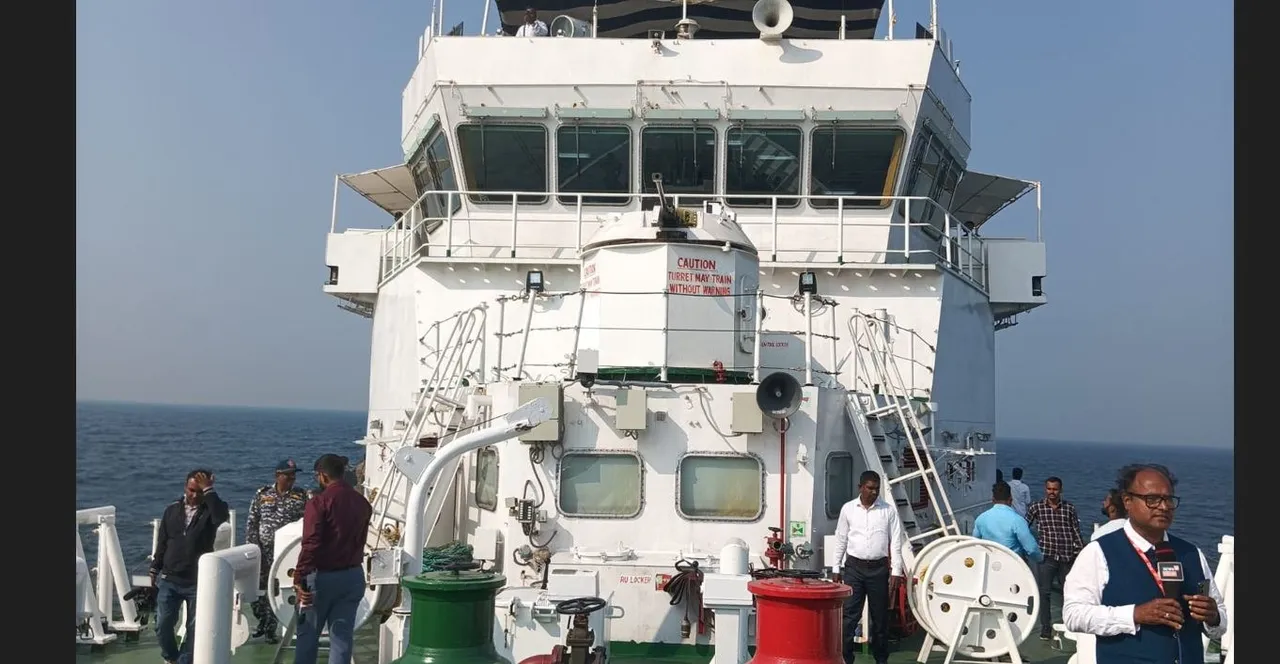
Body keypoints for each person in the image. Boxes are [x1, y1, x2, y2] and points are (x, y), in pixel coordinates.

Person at [1062, 464, 1226, 664]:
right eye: (1152, 499)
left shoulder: (1192, 554)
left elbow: (1220, 621)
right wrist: (1134, 614)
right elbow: (1074, 615)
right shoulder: (1098, 552)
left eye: (1168, 499)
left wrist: (1213, 616)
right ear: (1128, 501)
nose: (1163, 507)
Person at [293, 454, 373, 664]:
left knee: (307, 637)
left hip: (322, 578)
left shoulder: (319, 502)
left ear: (323, 475)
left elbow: (311, 543)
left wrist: (299, 577)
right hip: (353, 576)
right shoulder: (362, 502)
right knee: (341, 639)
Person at [149, 470, 230, 664]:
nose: (194, 495)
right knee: (162, 624)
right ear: (185, 487)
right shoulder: (171, 510)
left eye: (199, 491)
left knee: (194, 629)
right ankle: (172, 658)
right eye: (191, 490)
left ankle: (184, 661)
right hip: (170, 578)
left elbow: (221, 517)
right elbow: (162, 542)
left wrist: (209, 490)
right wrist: (154, 568)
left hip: (197, 581)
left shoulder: (211, 510)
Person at [832, 471, 905, 664]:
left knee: (880, 618)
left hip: (879, 570)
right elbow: (841, 539)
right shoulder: (848, 509)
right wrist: (836, 567)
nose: (874, 492)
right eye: (870, 488)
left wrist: (896, 571)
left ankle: (881, 659)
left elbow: (895, 543)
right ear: (860, 488)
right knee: (849, 617)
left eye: (877, 489)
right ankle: (846, 659)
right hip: (854, 568)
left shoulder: (888, 511)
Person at [246, 459, 309, 642]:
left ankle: (271, 630)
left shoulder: (301, 496)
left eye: (293, 475)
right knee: (258, 589)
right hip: (263, 551)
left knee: (277, 589)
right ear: (277, 475)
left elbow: (306, 522)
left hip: (286, 553)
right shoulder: (262, 494)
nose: (291, 479)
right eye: (288, 475)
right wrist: (254, 548)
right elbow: (252, 522)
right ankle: (262, 621)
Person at [1026, 475, 1085, 640]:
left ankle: (1070, 625)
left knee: (1069, 593)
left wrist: (1081, 551)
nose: (1052, 492)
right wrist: (1031, 547)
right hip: (1047, 556)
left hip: (1067, 556)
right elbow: (1024, 526)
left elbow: (1075, 531)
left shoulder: (1069, 508)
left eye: (1055, 489)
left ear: (1060, 490)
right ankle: (1046, 629)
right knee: (1045, 593)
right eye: (1049, 489)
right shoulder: (1036, 507)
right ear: (1045, 489)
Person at [972, 481, 1043, 563]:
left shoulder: (981, 518)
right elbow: (1031, 549)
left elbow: (975, 543)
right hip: (1011, 565)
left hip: (989, 564)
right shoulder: (1018, 520)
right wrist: (1040, 559)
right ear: (1011, 499)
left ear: (993, 499)